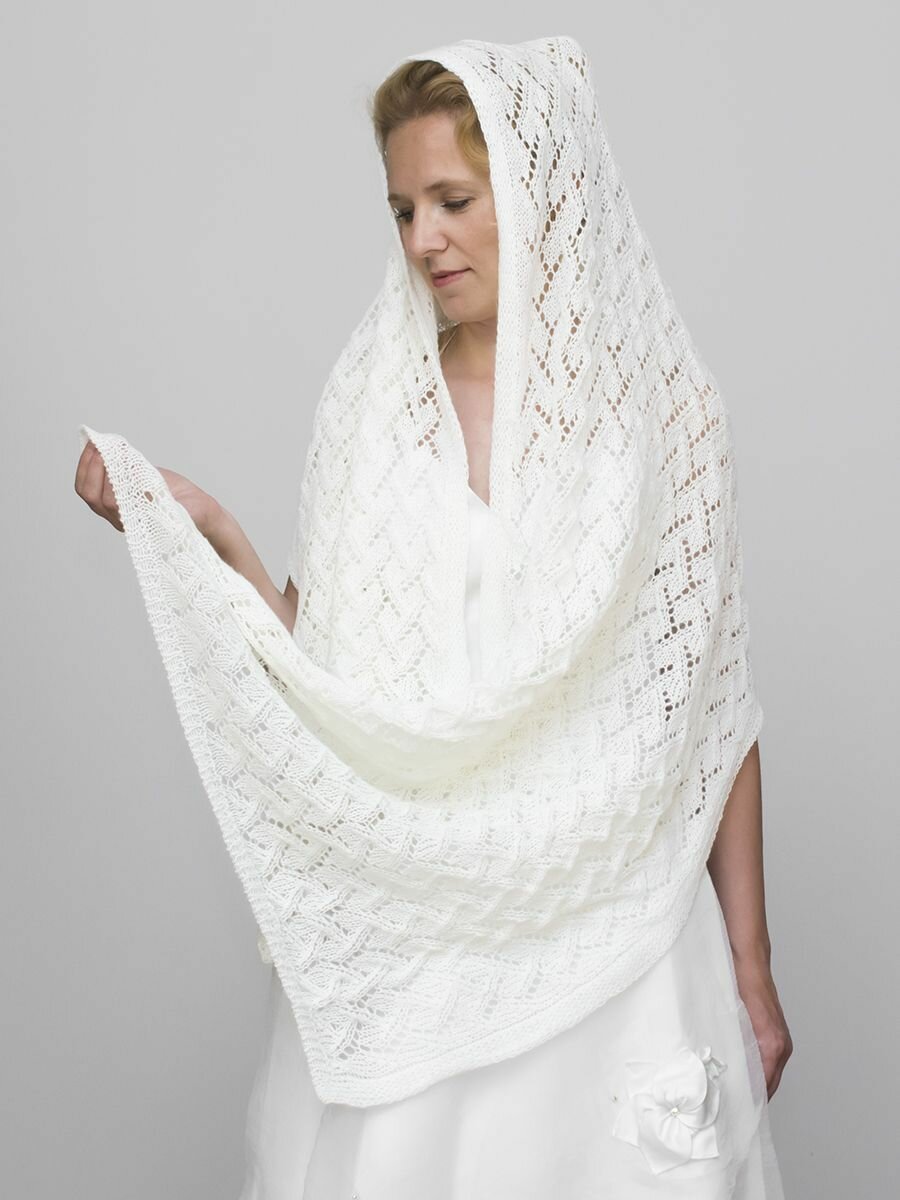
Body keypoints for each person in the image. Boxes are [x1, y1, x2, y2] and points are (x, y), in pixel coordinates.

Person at [76, 35, 792, 1198]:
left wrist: (752, 968)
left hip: (623, 935)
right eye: (403, 210)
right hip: (421, 940)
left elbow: (714, 712)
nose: (422, 241)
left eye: (453, 201)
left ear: (541, 193)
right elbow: (332, 690)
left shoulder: (659, 419)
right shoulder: (375, 410)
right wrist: (211, 538)